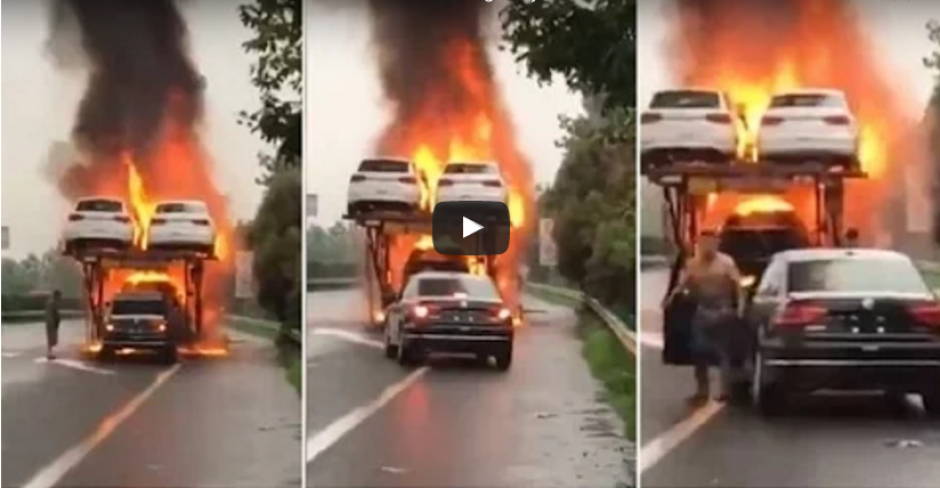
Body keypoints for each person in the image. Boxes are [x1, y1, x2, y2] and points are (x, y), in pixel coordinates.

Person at [663, 230, 745, 404]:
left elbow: (739, 286)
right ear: (699, 244)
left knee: (724, 352)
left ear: (717, 243)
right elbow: (682, 285)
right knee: (699, 353)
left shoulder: (726, 263)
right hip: (702, 312)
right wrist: (670, 300)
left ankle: (725, 391)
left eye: (711, 242)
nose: (707, 246)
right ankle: (702, 391)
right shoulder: (692, 264)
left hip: (723, 311)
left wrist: (739, 308)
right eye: (704, 242)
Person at [45, 290, 62, 360]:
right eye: (59, 296)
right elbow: (50, 314)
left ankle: (50, 353)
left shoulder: (53, 302)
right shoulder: (52, 303)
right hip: (51, 323)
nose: (60, 298)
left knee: (53, 340)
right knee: (51, 339)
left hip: (52, 323)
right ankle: (49, 354)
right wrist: (52, 322)